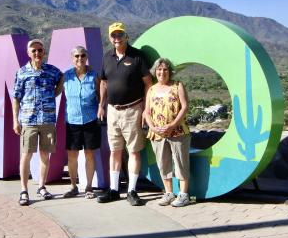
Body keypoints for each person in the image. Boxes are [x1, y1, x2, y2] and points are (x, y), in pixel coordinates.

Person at [97, 22, 152, 206]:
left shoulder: (137, 56)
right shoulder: (107, 57)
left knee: (134, 151)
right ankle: (113, 190)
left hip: (133, 110)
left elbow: (148, 84)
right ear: (110, 38)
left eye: (120, 34)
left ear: (126, 36)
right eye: (113, 35)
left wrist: (146, 108)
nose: (117, 38)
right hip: (113, 111)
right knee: (115, 151)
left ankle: (132, 190)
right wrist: (101, 105)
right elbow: (104, 83)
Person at [13, 39, 63, 206]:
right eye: (33, 50)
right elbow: (16, 97)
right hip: (28, 120)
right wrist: (15, 120)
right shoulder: (22, 73)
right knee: (26, 155)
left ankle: (41, 186)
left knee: (45, 155)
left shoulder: (52, 71)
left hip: (48, 119)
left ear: (44, 52)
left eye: (40, 50)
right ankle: (24, 190)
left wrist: (53, 94)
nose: (37, 53)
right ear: (29, 53)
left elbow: (62, 78)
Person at [143, 58, 191, 207]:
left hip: (177, 131)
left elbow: (184, 106)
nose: (162, 72)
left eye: (165, 69)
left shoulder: (178, 86)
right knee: (163, 163)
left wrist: (173, 124)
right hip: (157, 133)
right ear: (155, 71)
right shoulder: (151, 89)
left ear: (170, 72)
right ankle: (169, 193)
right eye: (159, 69)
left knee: (180, 161)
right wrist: (152, 126)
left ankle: (183, 194)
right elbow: (147, 112)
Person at [62, 46, 101, 199]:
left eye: (82, 55)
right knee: (72, 156)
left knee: (89, 155)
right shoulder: (66, 76)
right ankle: (73, 186)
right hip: (72, 121)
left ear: (86, 57)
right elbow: (56, 91)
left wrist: (101, 109)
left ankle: (89, 187)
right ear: (72, 58)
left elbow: (101, 95)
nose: (80, 58)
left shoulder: (94, 76)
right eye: (77, 56)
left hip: (91, 120)